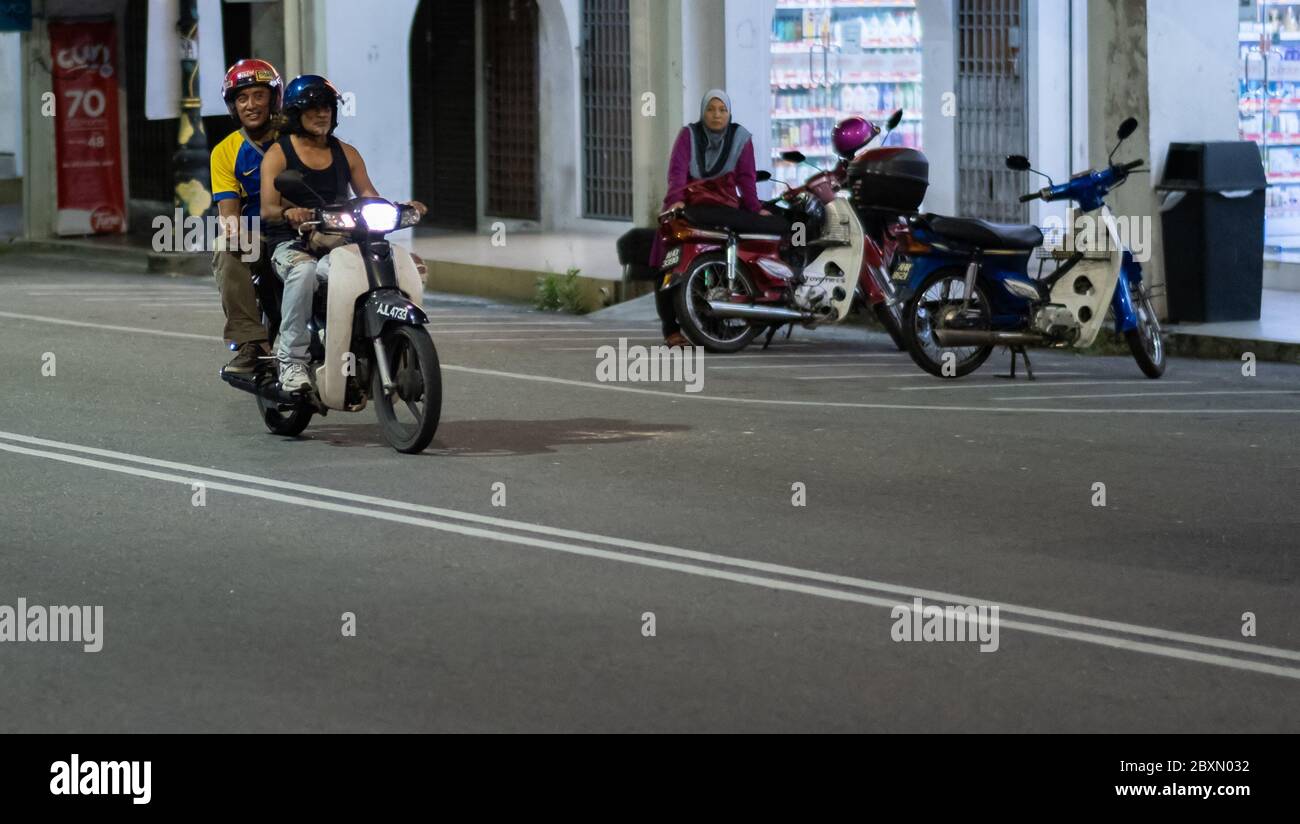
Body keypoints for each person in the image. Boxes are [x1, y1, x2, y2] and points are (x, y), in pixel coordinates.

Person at [259, 75, 426, 392]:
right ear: (296, 114)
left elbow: (369, 196)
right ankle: (291, 359)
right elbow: (267, 208)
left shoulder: (347, 153)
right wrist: (288, 212)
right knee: (306, 271)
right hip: (292, 243)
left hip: (340, 240)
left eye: (327, 108)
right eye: (313, 108)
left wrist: (401, 207)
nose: (322, 114)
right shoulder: (279, 154)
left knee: (367, 270)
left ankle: (354, 336)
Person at [652, 89, 783, 346]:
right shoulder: (688, 135)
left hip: (724, 207)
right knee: (667, 260)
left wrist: (755, 208)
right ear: (703, 112)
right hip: (688, 205)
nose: (716, 115)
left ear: (729, 113)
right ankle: (671, 330)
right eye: (711, 109)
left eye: (722, 110)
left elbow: (747, 179)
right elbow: (677, 172)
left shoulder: (740, 139)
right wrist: (676, 199)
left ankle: (719, 321)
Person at [210, 58, 283, 374]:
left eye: (258, 96)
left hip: (304, 228)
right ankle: (251, 341)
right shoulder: (225, 151)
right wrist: (235, 232)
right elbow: (228, 212)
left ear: (273, 99)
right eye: (242, 98)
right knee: (226, 248)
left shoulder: (296, 138)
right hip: (260, 235)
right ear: (233, 106)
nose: (250, 105)